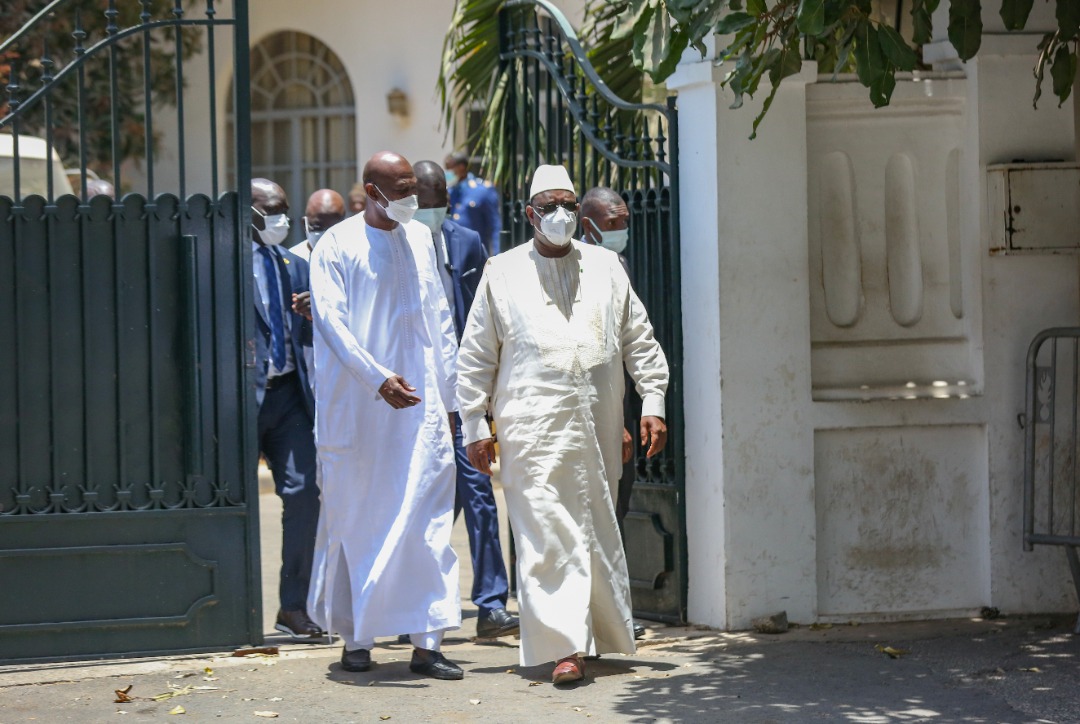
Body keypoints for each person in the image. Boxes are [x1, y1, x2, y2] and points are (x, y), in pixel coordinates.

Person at [456, 164, 670, 685]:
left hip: (597, 426)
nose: (560, 215)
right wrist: (474, 425)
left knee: (592, 533)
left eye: (568, 205)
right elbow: (476, 354)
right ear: (529, 214)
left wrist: (652, 401)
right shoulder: (502, 272)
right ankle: (564, 649)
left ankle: (590, 637)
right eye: (548, 206)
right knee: (548, 537)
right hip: (531, 430)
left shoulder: (606, 266)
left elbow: (637, 338)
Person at [306, 151, 465, 680]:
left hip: (422, 411)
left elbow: (439, 318)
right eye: (401, 191)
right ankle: (357, 641)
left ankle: (427, 643)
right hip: (360, 412)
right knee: (360, 521)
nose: (411, 199)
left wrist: (453, 401)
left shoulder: (420, 237)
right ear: (372, 192)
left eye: (413, 189)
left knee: (427, 524)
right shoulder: (335, 245)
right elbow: (331, 322)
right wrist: (376, 379)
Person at [412, 160, 519, 641]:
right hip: (415, 394)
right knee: (423, 502)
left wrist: (487, 389)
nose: (433, 211)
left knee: (479, 493)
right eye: (425, 203)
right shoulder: (397, 243)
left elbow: (483, 317)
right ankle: (414, 605)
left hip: (462, 393)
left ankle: (491, 604)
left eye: (440, 202)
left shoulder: (467, 242)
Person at [249, 178, 323, 642]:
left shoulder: (295, 265)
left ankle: (293, 607)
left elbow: (317, 333)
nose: (280, 219)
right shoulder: (225, 264)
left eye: (284, 209)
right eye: (271, 210)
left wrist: (314, 312)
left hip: (290, 396)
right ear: (249, 214)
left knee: (303, 495)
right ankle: (234, 609)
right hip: (242, 401)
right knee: (236, 503)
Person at [580, 186, 648, 642]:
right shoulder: (579, 269)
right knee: (591, 520)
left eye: (624, 221)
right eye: (612, 223)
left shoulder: (616, 263)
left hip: (618, 409)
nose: (622, 229)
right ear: (588, 225)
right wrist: (615, 422)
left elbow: (626, 346)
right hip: (591, 416)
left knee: (615, 517)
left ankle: (615, 614)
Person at [445, 151, 501, 253]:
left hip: (476, 250)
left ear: (461, 167)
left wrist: (497, 253)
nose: (448, 172)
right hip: (454, 250)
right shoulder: (450, 192)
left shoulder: (482, 190)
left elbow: (494, 225)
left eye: (450, 168)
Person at [291, 188, 346, 262]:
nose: (326, 234)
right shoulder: (291, 262)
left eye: (333, 227)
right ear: (304, 224)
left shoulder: (353, 258)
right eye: (318, 227)